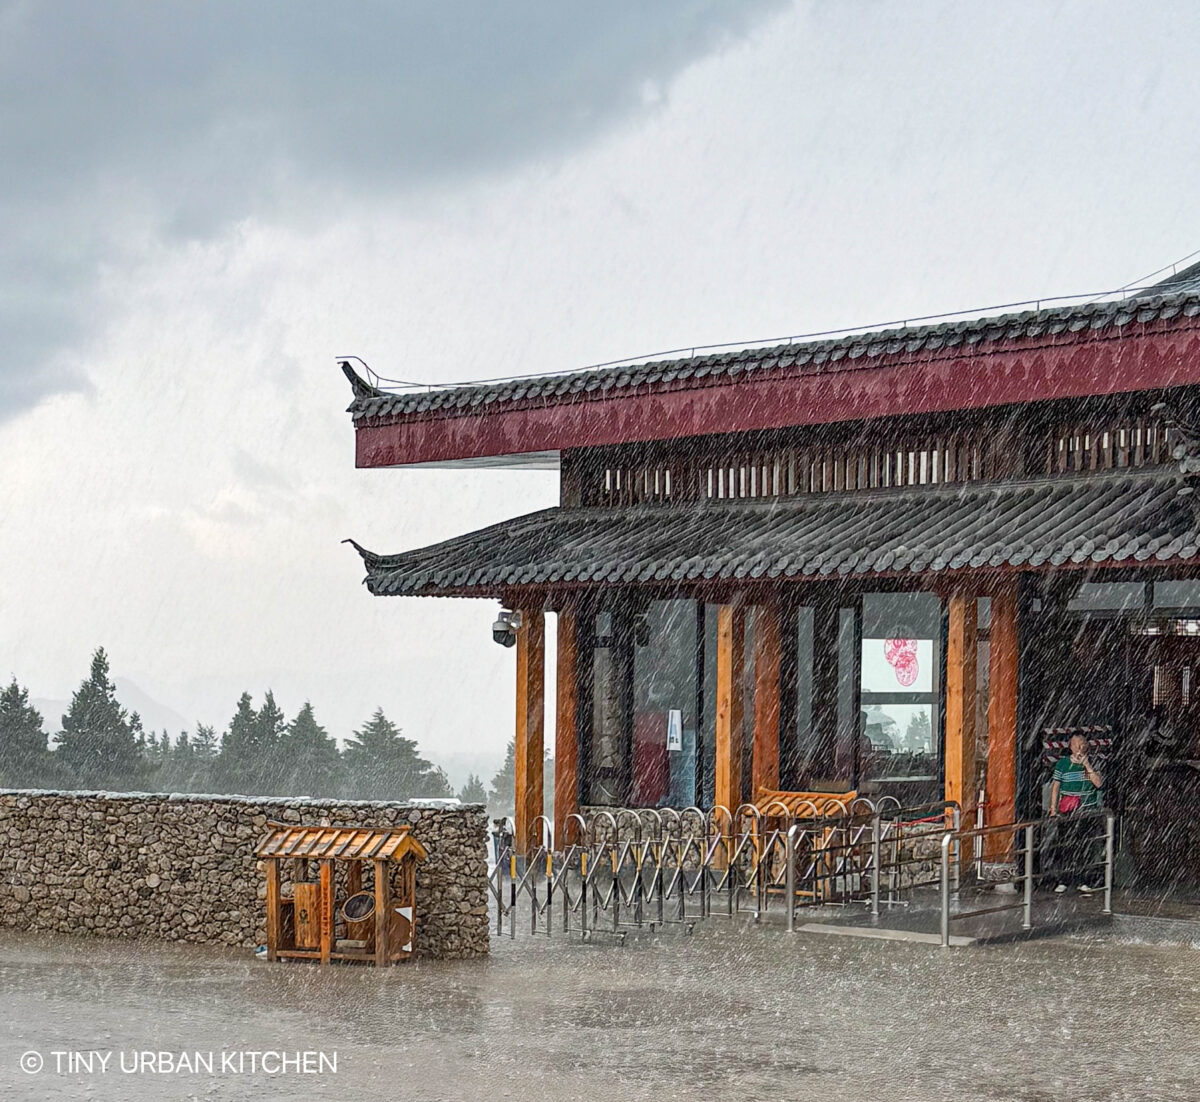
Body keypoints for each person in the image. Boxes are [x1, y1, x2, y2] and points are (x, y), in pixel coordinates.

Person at [1048, 734, 1104, 893]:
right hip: (1068, 811)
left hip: (1087, 810)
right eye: (1075, 745)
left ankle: (1083, 880)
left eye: (1081, 744)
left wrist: (1087, 766)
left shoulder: (1093, 761)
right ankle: (1064, 879)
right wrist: (1053, 808)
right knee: (1066, 846)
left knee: (1085, 846)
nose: (1079, 748)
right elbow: (1056, 786)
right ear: (1070, 747)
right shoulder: (1063, 764)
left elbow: (1099, 784)